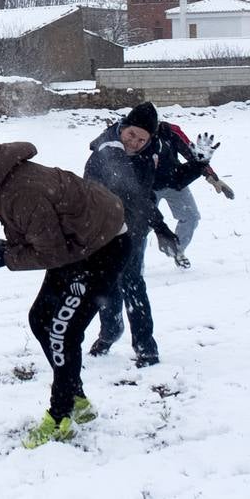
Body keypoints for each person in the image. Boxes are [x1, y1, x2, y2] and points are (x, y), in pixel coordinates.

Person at [0, 141, 130, 449]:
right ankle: (75, 397)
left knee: (64, 332)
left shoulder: (20, 196)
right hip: (79, 245)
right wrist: (9, 249)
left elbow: (52, 254)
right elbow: (42, 241)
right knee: (41, 318)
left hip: (102, 248)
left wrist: (6, 257)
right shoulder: (5, 186)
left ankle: (60, 418)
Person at [83, 102, 218, 365]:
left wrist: (198, 164)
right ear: (123, 127)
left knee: (133, 282)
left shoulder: (152, 151)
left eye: (141, 138)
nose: (133, 141)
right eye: (131, 134)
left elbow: (171, 181)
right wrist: (161, 227)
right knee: (106, 283)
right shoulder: (108, 149)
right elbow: (131, 192)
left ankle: (146, 348)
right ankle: (110, 332)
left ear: (150, 139)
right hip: (101, 224)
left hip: (133, 225)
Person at [153, 120, 235, 258]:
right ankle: (134, 269)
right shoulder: (134, 135)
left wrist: (212, 177)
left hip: (175, 182)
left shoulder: (171, 131)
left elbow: (193, 154)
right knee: (142, 225)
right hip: (148, 186)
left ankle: (177, 251)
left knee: (191, 217)